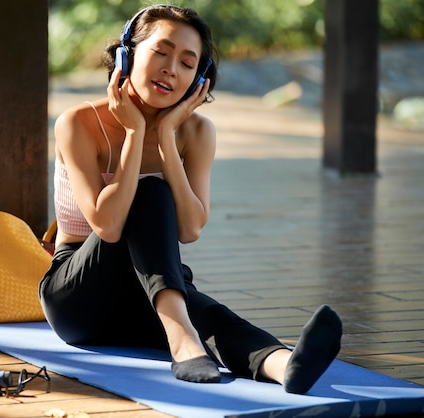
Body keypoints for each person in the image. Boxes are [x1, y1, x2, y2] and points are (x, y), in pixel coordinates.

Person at [39, 4, 342, 394]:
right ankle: (182, 337)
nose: (171, 69)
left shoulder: (196, 132)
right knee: (149, 193)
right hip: (78, 297)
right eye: (161, 53)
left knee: (205, 314)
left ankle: (285, 365)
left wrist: (165, 137)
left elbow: (190, 228)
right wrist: (134, 133)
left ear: (197, 80)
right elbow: (109, 226)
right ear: (126, 56)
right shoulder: (79, 123)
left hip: (149, 287)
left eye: (187, 63)